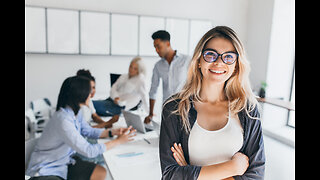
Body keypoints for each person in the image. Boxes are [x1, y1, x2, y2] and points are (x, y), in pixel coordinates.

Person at [159, 26, 265, 180]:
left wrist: (190, 172)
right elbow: (170, 175)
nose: (219, 62)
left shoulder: (248, 109)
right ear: (199, 61)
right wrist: (233, 167)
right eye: (210, 55)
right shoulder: (174, 108)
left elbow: (256, 175)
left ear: (236, 65)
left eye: (228, 57)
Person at [26, 76, 136, 180]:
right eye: (89, 90)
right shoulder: (63, 120)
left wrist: (112, 132)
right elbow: (88, 151)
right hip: (46, 170)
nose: (91, 94)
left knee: (100, 172)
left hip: (64, 162)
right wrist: (118, 141)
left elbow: (88, 131)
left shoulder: (75, 113)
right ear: (79, 94)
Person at [144, 30, 191, 124]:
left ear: (168, 44)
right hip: (167, 109)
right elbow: (153, 90)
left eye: (158, 46)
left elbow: (195, 82)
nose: (156, 50)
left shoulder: (187, 60)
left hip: (185, 108)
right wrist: (150, 113)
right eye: (155, 47)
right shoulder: (158, 66)